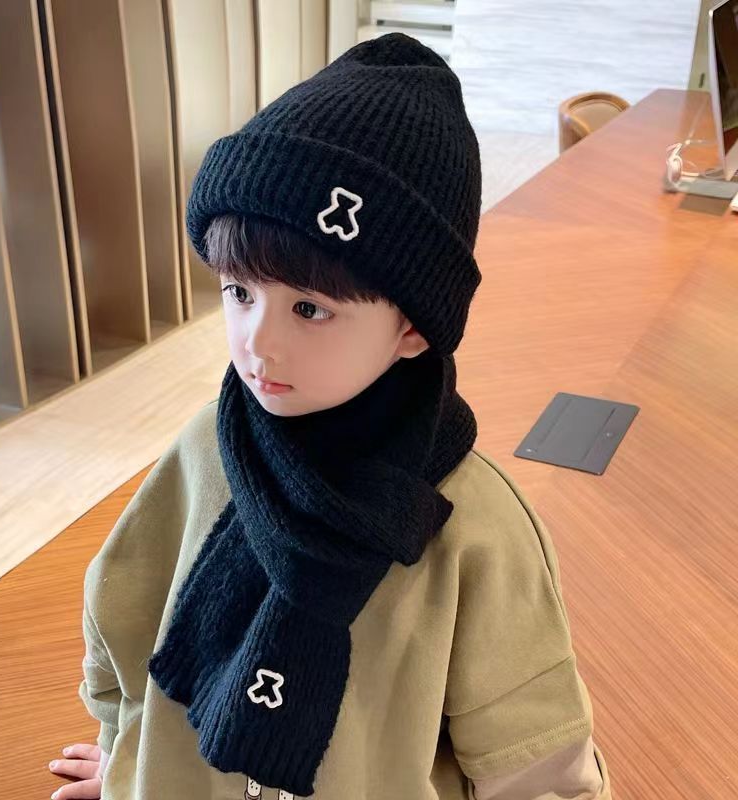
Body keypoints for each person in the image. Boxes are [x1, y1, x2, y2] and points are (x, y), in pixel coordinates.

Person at [49, 32, 612, 800]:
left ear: (413, 328)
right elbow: (121, 611)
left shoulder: (475, 529)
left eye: (309, 308)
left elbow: (536, 766)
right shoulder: (208, 446)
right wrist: (132, 759)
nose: (258, 343)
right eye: (240, 291)